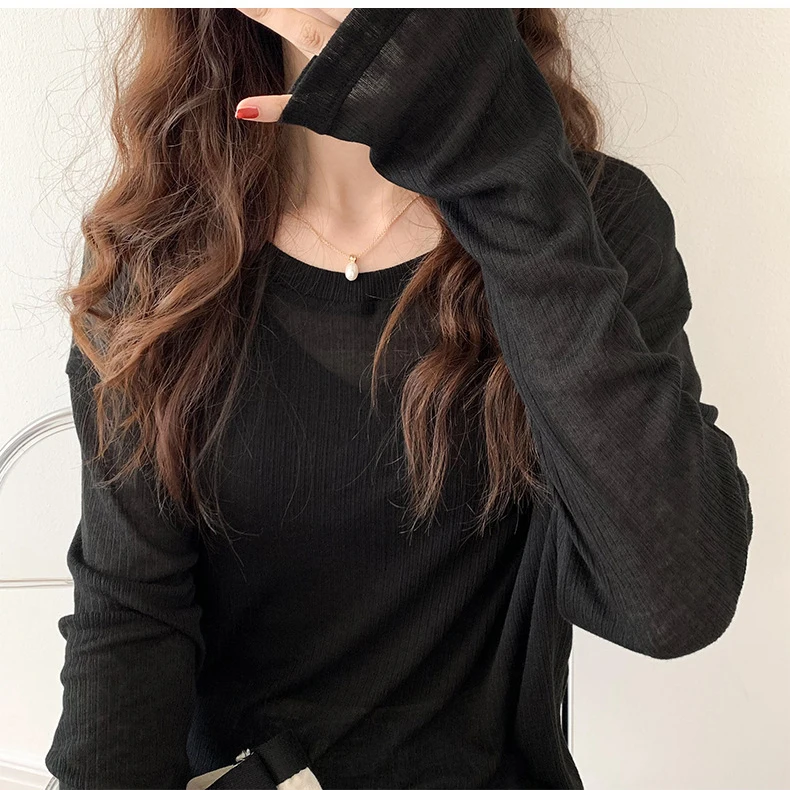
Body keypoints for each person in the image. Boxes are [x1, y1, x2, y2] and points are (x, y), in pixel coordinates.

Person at [45, 9, 753, 790]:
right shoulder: (160, 251)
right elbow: (131, 623)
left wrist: (503, 169)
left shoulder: (587, 218)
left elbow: (671, 604)